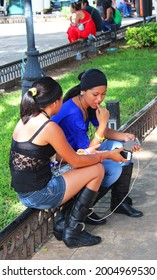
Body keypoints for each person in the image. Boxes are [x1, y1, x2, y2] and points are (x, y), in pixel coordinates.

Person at [9, 76, 128, 249]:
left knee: (86, 166)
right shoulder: (49, 127)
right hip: (40, 194)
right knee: (97, 170)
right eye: (60, 99)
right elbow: (77, 162)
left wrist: (87, 154)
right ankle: (72, 232)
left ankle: (63, 224)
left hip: (25, 192)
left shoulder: (25, 120)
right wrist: (107, 154)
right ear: (56, 102)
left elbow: (60, 157)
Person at [52, 69, 143, 238]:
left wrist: (125, 137)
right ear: (83, 91)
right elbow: (88, 153)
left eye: (103, 94)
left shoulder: (88, 104)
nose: (100, 99)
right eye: (95, 94)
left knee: (123, 146)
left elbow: (104, 132)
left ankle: (119, 202)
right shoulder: (73, 114)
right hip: (64, 164)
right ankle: (77, 211)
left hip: (80, 154)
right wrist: (102, 125)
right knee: (108, 167)